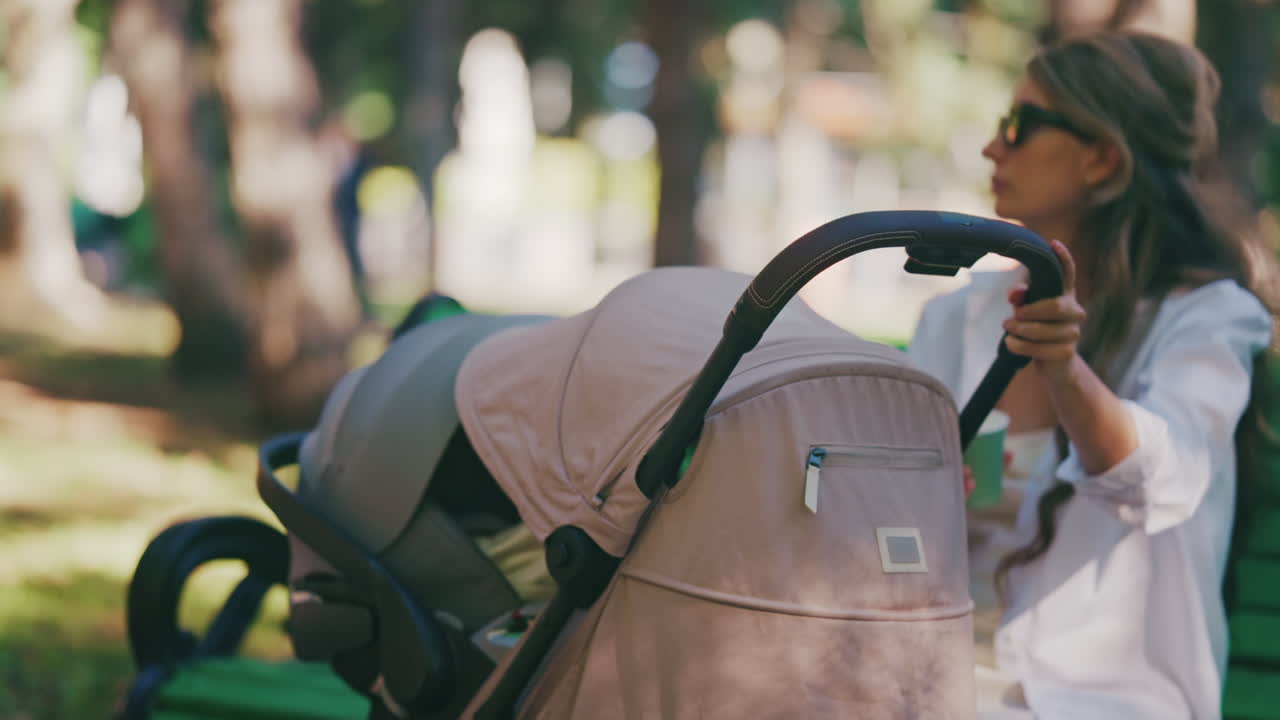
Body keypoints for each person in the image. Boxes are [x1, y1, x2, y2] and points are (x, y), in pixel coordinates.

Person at [907, 30, 1278, 719]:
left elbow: (1165, 480)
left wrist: (1064, 368)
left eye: (1019, 126)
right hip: (937, 685)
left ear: (1103, 158)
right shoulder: (957, 320)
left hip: (1102, 703)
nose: (993, 147)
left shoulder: (1206, 322)